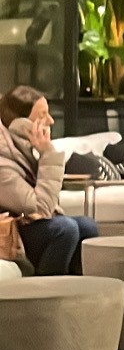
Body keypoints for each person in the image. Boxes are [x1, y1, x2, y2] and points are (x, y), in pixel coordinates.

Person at [0, 86, 99, 275]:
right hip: (10, 235)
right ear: (20, 124)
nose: (51, 121)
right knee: (64, 229)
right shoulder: (2, 161)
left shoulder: (22, 149)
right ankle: (46, 295)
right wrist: (48, 154)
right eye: (42, 115)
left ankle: (79, 293)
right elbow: (41, 207)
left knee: (87, 226)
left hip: (26, 226)